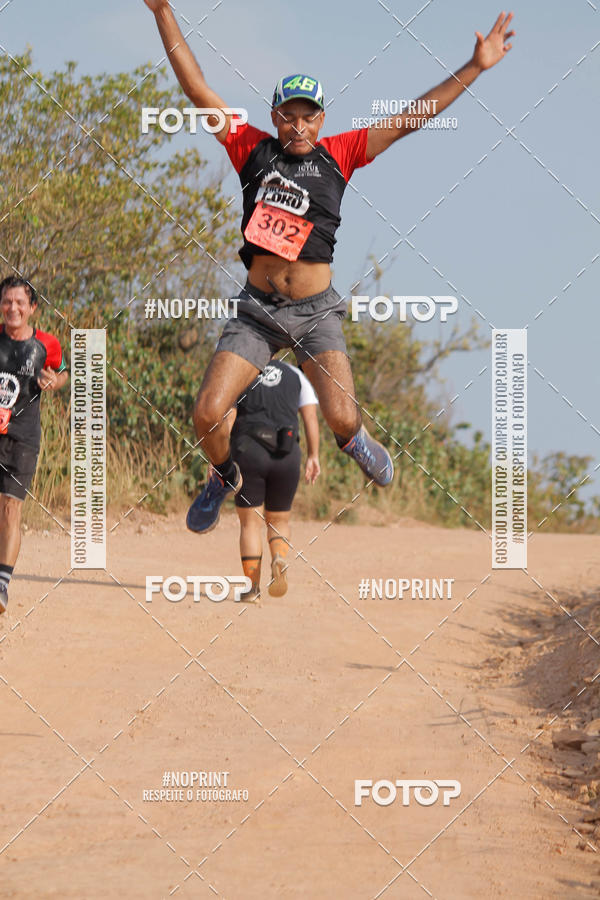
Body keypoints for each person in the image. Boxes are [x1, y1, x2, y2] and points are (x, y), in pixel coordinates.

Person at [143, 2, 514, 533]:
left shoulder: (341, 154)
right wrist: (162, 12)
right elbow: (198, 89)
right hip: (257, 311)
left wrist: (475, 65)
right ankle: (223, 477)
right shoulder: (249, 148)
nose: (298, 124)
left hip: (316, 313)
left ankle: (355, 440)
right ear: (275, 117)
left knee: (341, 417)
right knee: (207, 413)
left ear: (322, 119)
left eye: (309, 115)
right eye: (289, 114)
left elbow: (412, 117)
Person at [224, 357, 320, 602]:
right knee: (278, 519)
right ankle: (279, 557)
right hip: (286, 455)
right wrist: (313, 456)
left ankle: (252, 589)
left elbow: (229, 416)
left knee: (250, 523)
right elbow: (310, 419)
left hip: (249, 451)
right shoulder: (297, 376)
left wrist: (219, 457)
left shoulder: (242, 370)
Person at [0, 276, 68, 615]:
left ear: (32, 308)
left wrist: (55, 380)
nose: (12, 308)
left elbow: (62, 371)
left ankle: (1, 585)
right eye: (7, 302)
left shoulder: (47, 345)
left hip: (24, 436)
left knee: (11, 508)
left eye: (19, 302)